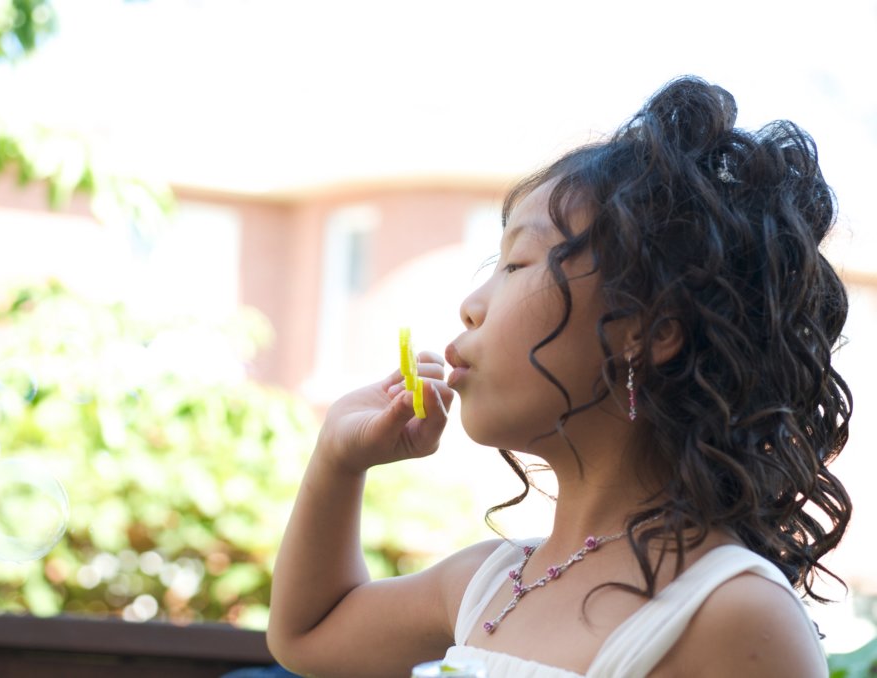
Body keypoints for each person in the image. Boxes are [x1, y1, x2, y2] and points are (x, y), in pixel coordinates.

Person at [266, 75, 852, 678]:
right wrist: (339, 460)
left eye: (517, 263)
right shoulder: (488, 584)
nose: (470, 305)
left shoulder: (735, 613)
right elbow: (307, 634)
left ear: (649, 329)